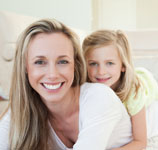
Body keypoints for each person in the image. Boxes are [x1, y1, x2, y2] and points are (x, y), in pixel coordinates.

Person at [0, 19, 132, 150]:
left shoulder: (100, 97)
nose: (52, 74)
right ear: (25, 68)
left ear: (75, 65)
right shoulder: (22, 109)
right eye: (40, 62)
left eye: (62, 62)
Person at [83, 30, 158, 150]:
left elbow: (140, 142)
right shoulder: (87, 88)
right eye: (93, 64)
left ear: (123, 66)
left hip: (148, 92)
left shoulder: (134, 92)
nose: (101, 71)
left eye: (109, 63)